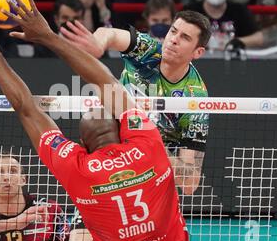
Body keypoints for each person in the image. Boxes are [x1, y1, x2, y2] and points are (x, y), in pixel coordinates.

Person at [0, 0, 190, 241]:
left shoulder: (79, 167)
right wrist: (48, 36)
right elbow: (104, 80)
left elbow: (26, 109)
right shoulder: (148, 143)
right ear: (122, 129)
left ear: (83, 145)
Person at [59, 13, 210, 196]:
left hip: (147, 176)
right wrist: (99, 44)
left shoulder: (195, 99)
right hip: (106, 160)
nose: (173, 40)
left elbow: (190, 183)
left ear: (198, 52)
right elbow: (110, 34)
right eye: (173, 31)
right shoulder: (147, 50)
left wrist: (149, 143)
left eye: (185, 38)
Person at [185, 0, 264, 50]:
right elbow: (175, 36)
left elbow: (259, 38)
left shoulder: (239, 11)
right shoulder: (190, 11)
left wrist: (235, 42)